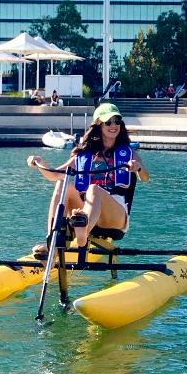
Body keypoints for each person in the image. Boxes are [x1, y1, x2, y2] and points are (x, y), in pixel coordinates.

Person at [27, 101, 149, 257]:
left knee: (93, 189)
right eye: (108, 122)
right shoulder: (83, 154)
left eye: (117, 121)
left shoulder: (128, 153)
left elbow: (145, 178)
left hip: (115, 217)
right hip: (85, 210)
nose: (114, 125)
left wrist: (138, 167)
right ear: (99, 125)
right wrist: (40, 163)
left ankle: (82, 234)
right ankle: (53, 245)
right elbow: (54, 175)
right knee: (62, 183)